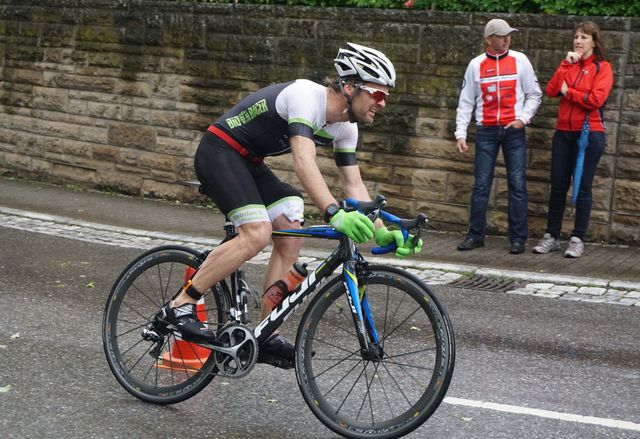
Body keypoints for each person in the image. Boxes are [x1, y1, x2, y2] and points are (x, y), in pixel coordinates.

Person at [144, 43, 423, 368]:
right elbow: (304, 161)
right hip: (219, 151)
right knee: (257, 232)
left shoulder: (347, 128)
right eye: (378, 93)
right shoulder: (306, 96)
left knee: (291, 222)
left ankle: (264, 333)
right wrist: (333, 212)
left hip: (249, 162)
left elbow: (354, 185)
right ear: (350, 87)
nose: (383, 103)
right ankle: (181, 304)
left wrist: (381, 231)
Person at [455, 18, 542, 254]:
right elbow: (466, 101)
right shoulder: (475, 65)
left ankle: (518, 239)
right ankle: (475, 235)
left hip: (513, 130)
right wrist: (460, 133)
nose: (507, 39)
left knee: (517, 184)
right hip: (486, 130)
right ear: (489, 39)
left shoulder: (520, 60)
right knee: (481, 185)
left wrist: (522, 119)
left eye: (508, 35)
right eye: (502, 36)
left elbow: (535, 94)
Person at [533, 21, 613, 258]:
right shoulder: (569, 64)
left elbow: (595, 100)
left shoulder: (602, 68)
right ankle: (552, 236)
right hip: (563, 133)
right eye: (576, 36)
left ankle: (577, 239)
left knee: (583, 187)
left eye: (584, 37)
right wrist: (565, 65)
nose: (578, 41)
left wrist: (569, 93)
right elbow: (551, 90)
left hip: (589, 134)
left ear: (594, 42)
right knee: (558, 186)